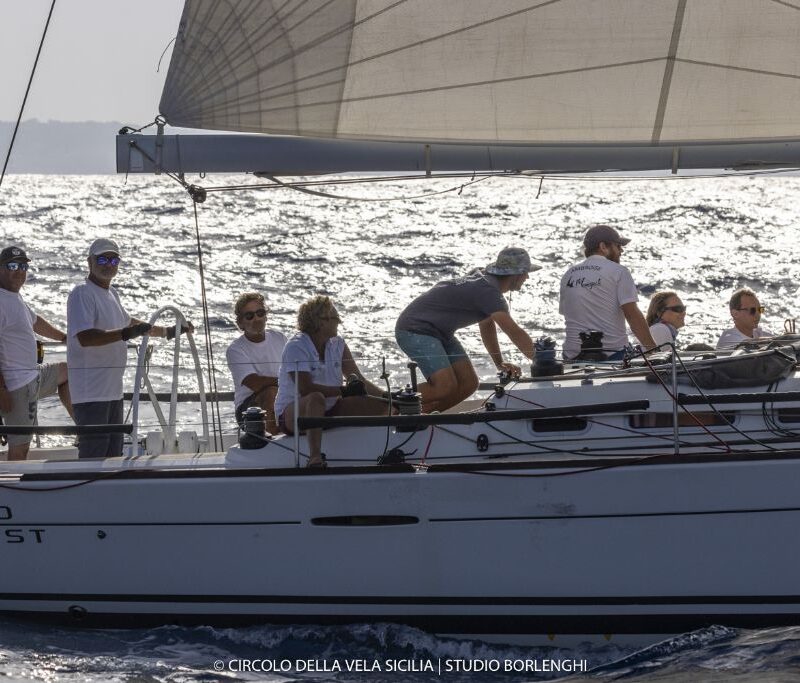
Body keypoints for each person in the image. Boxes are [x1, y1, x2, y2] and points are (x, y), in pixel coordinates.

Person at [67, 238, 190, 459]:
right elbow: (86, 338)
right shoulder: (82, 293)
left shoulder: (112, 293)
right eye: (102, 259)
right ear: (89, 262)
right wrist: (125, 334)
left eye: (114, 260)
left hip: (113, 391)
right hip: (91, 393)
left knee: (114, 454)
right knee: (93, 456)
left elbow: (129, 323)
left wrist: (168, 331)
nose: (108, 264)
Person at [394, 247, 538, 413]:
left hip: (440, 332)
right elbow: (513, 331)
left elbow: (486, 325)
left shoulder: (486, 280)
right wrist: (540, 360)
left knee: (468, 384)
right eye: (525, 273)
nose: (527, 277)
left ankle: (424, 417)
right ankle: (386, 403)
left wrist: (499, 363)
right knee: (444, 386)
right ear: (516, 275)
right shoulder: (489, 292)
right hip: (414, 328)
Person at [274, 295, 389, 468]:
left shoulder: (338, 343)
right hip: (294, 414)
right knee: (316, 398)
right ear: (321, 322)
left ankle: (382, 445)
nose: (340, 322)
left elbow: (359, 379)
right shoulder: (296, 346)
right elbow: (305, 389)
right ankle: (314, 457)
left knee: (377, 404)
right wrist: (344, 391)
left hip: (331, 408)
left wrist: (388, 397)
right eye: (336, 318)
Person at [0, 246, 74, 461]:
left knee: (68, 372)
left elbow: (35, 322)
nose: (19, 271)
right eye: (13, 266)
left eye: (23, 267)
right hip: (17, 385)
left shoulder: (14, 297)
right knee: (20, 447)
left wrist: (64, 338)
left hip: (35, 375)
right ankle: (12, 482)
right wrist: (1, 390)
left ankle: (85, 433)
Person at [559, 225, 656, 360]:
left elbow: (567, 313)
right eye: (618, 246)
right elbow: (632, 315)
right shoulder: (619, 271)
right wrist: (654, 351)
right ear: (603, 246)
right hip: (611, 355)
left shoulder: (568, 274)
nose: (621, 250)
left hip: (571, 355)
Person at [226, 292, 286, 434]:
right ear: (240, 323)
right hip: (248, 410)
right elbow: (255, 383)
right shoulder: (235, 349)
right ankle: (274, 442)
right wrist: (286, 382)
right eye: (249, 316)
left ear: (266, 316)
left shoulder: (280, 338)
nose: (257, 319)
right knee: (271, 392)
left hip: (283, 395)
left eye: (260, 313)